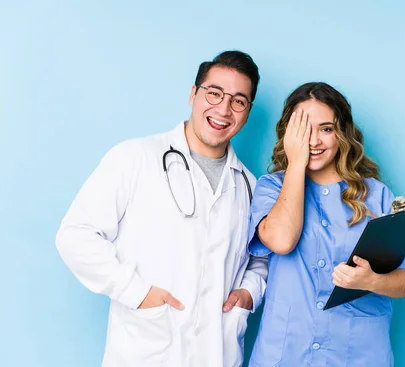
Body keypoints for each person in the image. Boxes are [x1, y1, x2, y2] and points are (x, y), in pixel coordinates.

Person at [56, 50, 267, 367]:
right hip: (146, 350)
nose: (223, 109)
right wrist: (136, 292)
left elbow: (260, 260)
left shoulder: (250, 187)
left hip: (218, 355)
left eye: (238, 100)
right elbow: (75, 235)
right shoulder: (135, 158)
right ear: (193, 94)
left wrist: (249, 293)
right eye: (214, 93)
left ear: (247, 112)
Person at [247, 82, 405, 366]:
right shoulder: (271, 188)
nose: (314, 141)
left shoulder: (377, 195)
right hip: (286, 354)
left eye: (326, 129)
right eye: (304, 130)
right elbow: (282, 241)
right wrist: (296, 164)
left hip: (357, 354)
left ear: (341, 133)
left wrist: (372, 281)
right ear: (289, 134)